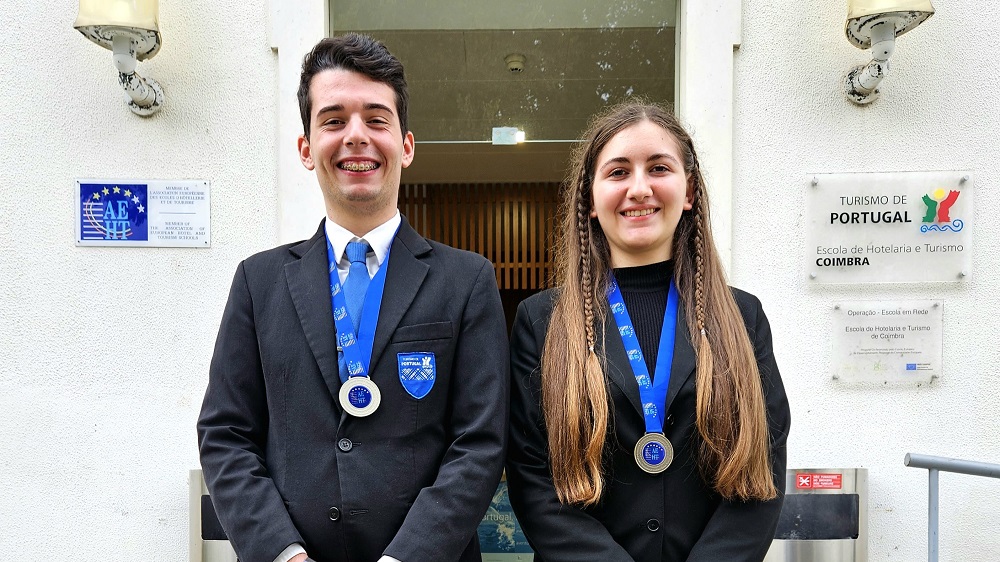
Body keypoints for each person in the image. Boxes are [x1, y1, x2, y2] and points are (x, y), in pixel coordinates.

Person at [198, 34, 509, 562]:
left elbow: (480, 443)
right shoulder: (258, 282)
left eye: (376, 119)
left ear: (406, 146)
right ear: (306, 148)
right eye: (334, 120)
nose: (356, 136)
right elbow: (225, 434)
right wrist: (284, 554)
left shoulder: (467, 281)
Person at [506, 101, 790, 561]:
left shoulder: (743, 317)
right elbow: (533, 478)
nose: (639, 189)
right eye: (618, 172)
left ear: (689, 190)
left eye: (659, 168)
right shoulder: (541, 321)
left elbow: (763, 471)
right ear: (590, 200)